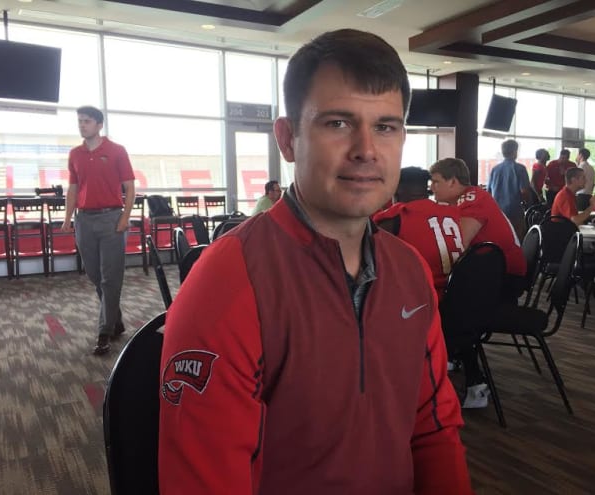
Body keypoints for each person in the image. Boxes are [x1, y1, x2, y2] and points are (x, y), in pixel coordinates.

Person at [159, 29, 473, 495]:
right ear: (288, 139)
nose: (367, 149)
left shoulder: (409, 271)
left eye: (385, 126)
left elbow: (432, 431)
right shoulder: (229, 281)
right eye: (338, 123)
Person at [430, 157, 526, 409]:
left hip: (506, 280)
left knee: (449, 308)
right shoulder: (464, 200)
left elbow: (456, 245)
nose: (432, 188)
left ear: (453, 181)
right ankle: (453, 354)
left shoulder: (472, 199)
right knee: (449, 301)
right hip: (492, 276)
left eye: (436, 182)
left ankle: (476, 382)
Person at [62, 106, 135, 355]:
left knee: (110, 278)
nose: (82, 125)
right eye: (80, 121)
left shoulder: (116, 151)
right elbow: (73, 188)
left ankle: (104, 332)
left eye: (87, 121)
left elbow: (130, 187)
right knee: (95, 276)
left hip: (111, 219)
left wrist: (125, 217)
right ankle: (115, 318)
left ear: (99, 124)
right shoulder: (75, 154)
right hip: (84, 220)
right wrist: (67, 217)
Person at [373, 166, 464, 298]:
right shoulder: (451, 211)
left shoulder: (395, 217)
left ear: (397, 189)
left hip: (422, 297)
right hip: (458, 292)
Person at [487, 139, 530, 241]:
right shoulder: (520, 169)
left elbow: (488, 192)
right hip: (515, 212)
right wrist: (526, 202)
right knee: (516, 240)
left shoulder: (495, 169)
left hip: (497, 212)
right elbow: (524, 191)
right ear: (515, 151)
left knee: (499, 240)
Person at [576, 147, 595, 212]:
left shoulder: (581, 167)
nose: (577, 156)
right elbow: (593, 184)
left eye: (577, 154)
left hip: (581, 195)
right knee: (586, 216)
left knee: (580, 216)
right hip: (589, 195)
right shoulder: (591, 168)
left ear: (580, 155)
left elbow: (579, 181)